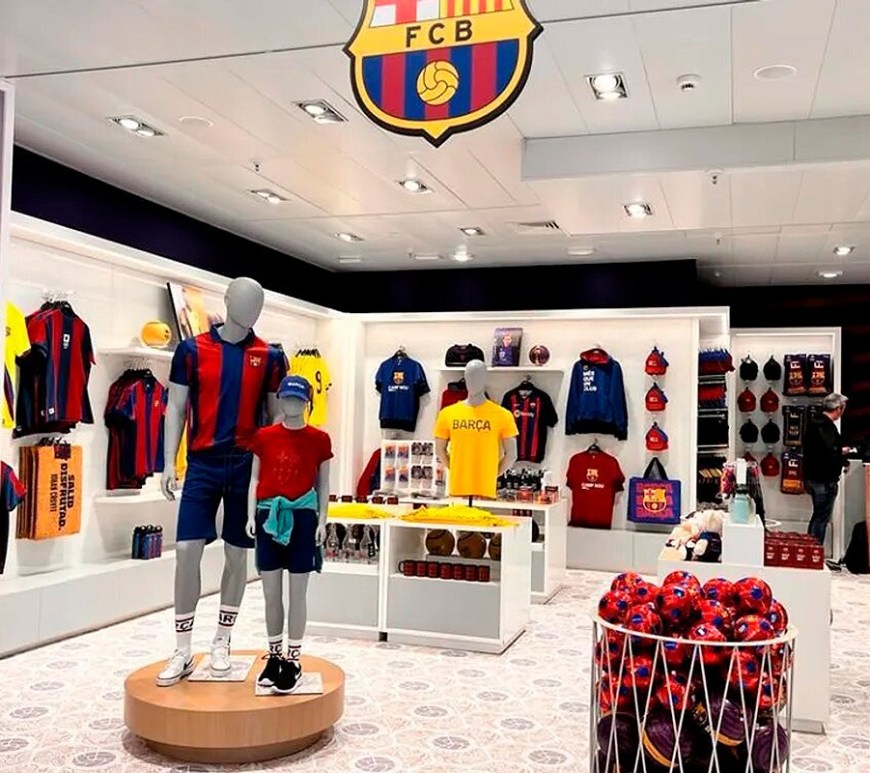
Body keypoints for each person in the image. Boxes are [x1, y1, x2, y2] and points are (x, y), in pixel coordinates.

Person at [803, 393, 852, 546]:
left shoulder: (812, 423)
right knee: (821, 518)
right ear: (839, 408)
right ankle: (815, 550)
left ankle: (811, 550)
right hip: (824, 479)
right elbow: (829, 450)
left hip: (812, 477)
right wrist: (842, 453)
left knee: (817, 516)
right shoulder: (826, 426)